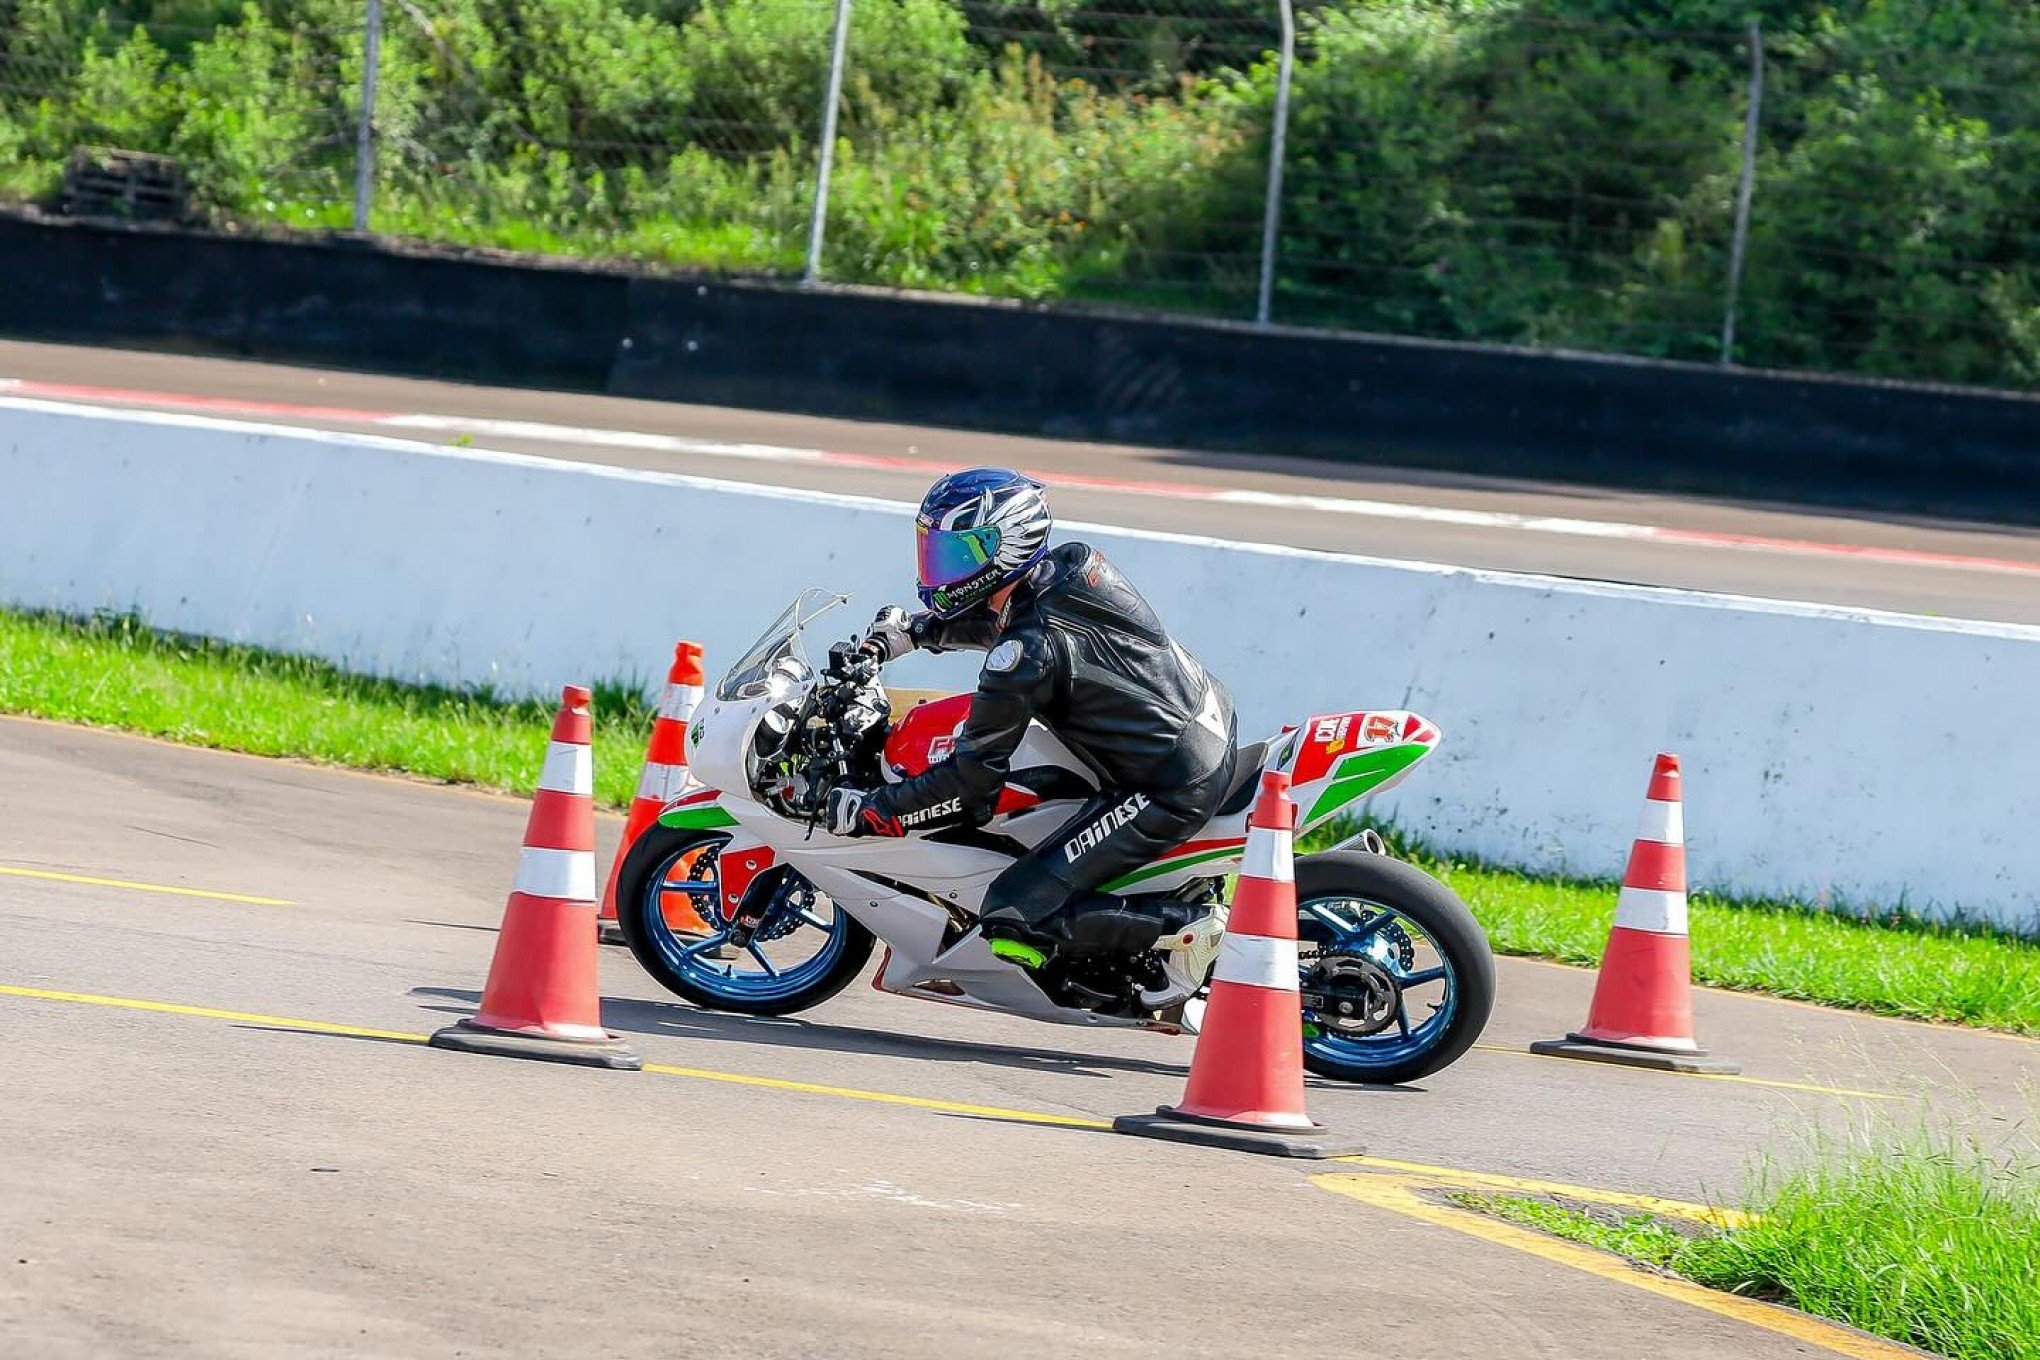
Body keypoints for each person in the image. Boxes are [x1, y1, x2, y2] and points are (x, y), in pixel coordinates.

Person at [825, 467, 1238, 1009]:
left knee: (1010, 914)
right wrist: (917, 632)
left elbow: (972, 784)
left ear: (1008, 544)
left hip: (1170, 784)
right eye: (938, 552)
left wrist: (879, 811)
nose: (940, 567)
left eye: (957, 554)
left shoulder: (1022, 658)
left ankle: (1186, 928)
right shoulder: (1073, 566)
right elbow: (1014, 625)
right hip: (1206, 721)